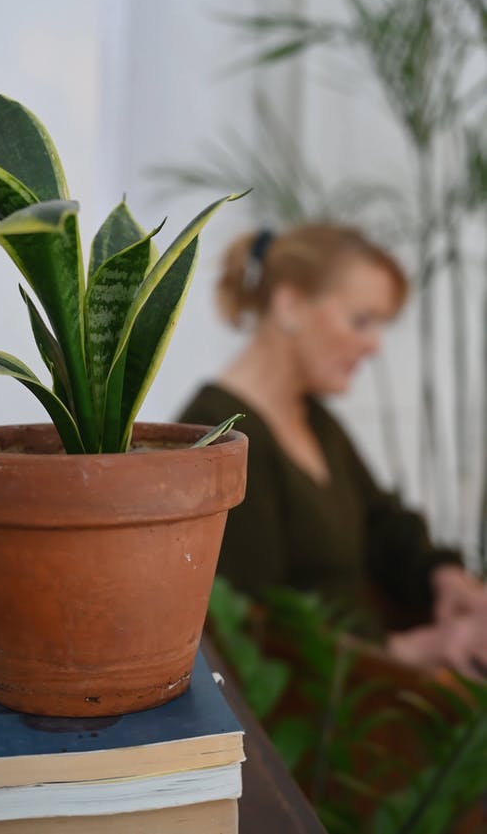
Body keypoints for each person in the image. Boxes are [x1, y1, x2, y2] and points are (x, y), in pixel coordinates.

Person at [179, 223, 487, 677]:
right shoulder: (218, 437)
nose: (375, 344)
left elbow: (381, 522)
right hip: (323, 721)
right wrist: (407, 652)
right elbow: (247, 627)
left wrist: (444, 577)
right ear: (290, 304)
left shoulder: (314, 418)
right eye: (361, 320)